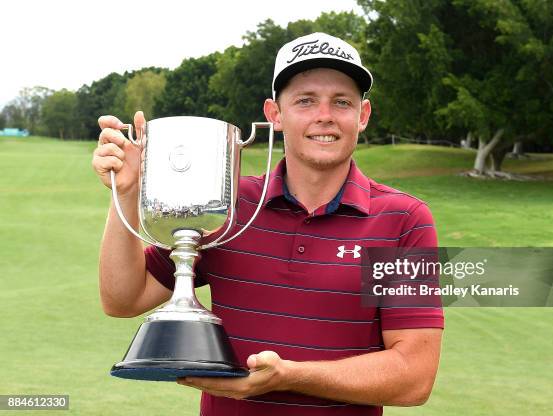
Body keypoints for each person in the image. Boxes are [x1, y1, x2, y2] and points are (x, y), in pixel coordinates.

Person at [92, 32, 443, 416]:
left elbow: (415, 375)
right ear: (275, 114)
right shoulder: (228, 204)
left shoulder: (404, 220)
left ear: (362, 115)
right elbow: (122, 299)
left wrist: (289, 376)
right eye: (305, 101)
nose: (324, 115)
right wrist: (124, 192)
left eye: (341, 102)